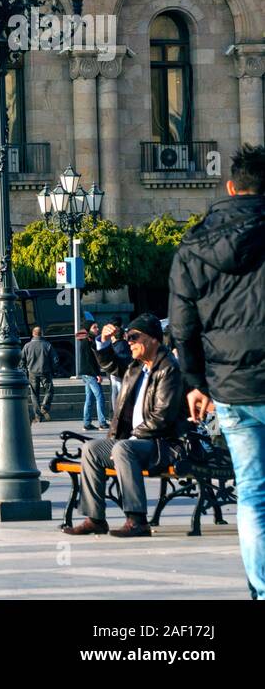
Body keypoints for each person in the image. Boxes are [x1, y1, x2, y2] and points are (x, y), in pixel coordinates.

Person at [169, 144, 265, 596]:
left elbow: (182, 325)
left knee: (252, 492)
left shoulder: (195, 244)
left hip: (232, 388)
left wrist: (193, 383)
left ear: (231, 187)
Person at [63, 315, 185, 538]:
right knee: (91, 449)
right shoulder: (137, 367)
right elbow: (110, 365)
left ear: (153, 340)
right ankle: (95, 519)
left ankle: (137, 520)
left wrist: (133, 437)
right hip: (136, 443)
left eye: (134, 337)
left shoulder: (168, 368)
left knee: (122, 448)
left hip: (162, 444)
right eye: (127, 336)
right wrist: (104, 342)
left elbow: (162, 416)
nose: (128, 341)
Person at [19, 326, 61, 422]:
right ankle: (45, 407)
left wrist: (24, 370)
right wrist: (54, 370)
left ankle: (38, 416)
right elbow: (55, 360)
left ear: (33, 334)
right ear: (41, 334)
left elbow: (21, 361)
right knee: (49, 390)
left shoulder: (27, 346)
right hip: (45, 371)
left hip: (32, 372)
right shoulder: (47, 345)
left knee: (34, 394)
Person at [74, 326, 110, 431]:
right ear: (89, 329)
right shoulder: (87, 342)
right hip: (90, 374)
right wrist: (97, 374)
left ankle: (87, 423)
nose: (97, 329)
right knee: (100, 397)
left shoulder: (89, 341)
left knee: (89, 398)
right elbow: (90, 360)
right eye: (94, 327)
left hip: (87, 374)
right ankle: (102, 423)